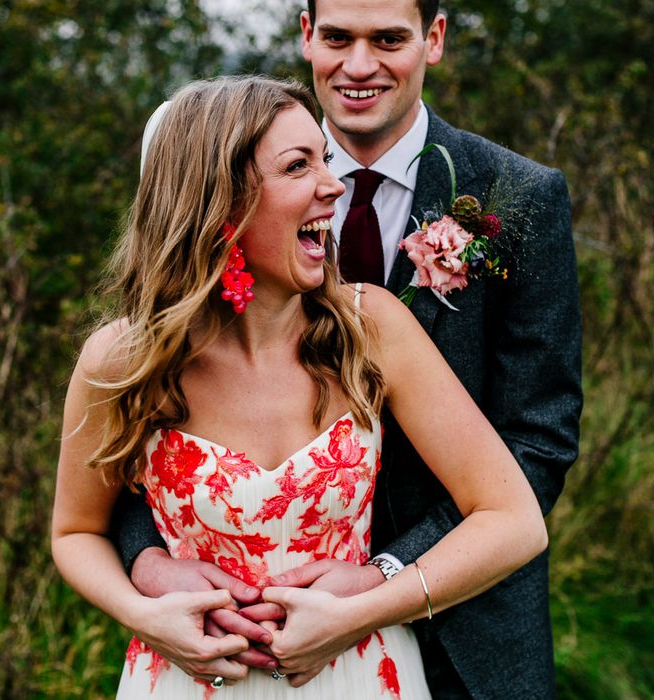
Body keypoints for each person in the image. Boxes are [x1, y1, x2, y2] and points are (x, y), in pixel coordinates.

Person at [114, 1, 583, 698]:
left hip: (468, 621)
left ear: (434, 38)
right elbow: (142, 439)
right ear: (306, 36)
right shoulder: (229, 158)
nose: (359, 65)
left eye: (388, 39)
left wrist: (382, 574)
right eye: (338, 37)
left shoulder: (515, 199)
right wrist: (148, 559)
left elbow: (537, 440)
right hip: (242, 637)